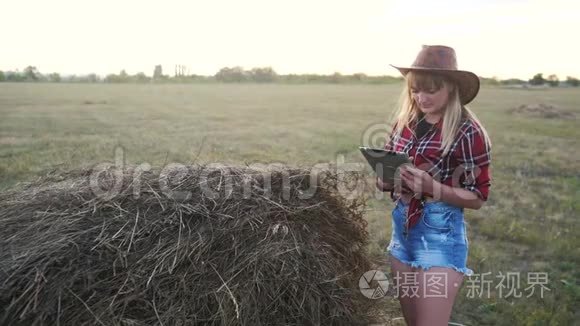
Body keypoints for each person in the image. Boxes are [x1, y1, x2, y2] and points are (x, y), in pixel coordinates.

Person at [375, 45, 492, 326]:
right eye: (415, 89)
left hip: (440, 234)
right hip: (402, 229)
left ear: (451, 88)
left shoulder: (467, 130)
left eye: (430, 90)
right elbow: (383, 179)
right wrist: (388, 179)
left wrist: (432, 187)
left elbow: (477, 197)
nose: (421, 97)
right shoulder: (405, 124)